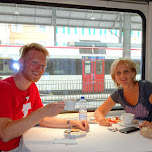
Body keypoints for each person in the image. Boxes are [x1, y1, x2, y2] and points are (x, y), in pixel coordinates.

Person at [0, 43, 89, 152]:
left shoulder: (32, 87)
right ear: (21, 62)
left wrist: (71, 123)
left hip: (23, 143)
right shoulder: (4, 88)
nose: (39, 69)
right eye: (34, 62)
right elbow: (5, 134)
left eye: (43, 65)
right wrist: (43, 111)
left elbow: (42, 119)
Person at [94, 58, 152, 128]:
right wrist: (101, 119)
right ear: (114, 76)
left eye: (126, 71)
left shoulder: (145, 87)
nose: (122, 76)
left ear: (133, 73)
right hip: (137, 130)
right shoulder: (118, 94)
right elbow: (99, 111)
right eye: (118, 73)